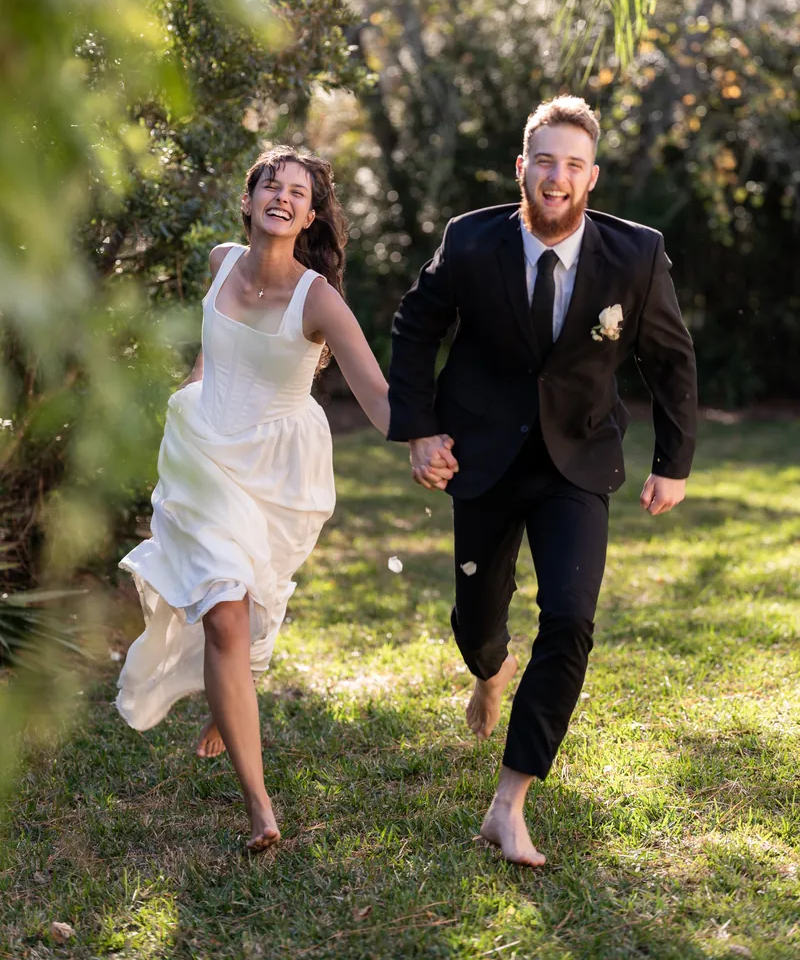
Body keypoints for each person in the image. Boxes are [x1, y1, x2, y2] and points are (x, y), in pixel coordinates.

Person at [387, 95, 697, 867]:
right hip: (482, 457)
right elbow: (414, 325)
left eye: (574, 164)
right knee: (477, 622)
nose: (558, 177)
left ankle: (509, 800)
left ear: (592, 176)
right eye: (545, 161)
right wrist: (421, 430)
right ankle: (490, 671)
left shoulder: (637, 253)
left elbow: (671, 358)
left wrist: (673, 460)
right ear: (522, 168)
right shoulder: (469, 240)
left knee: (569, 617)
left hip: (578, 462)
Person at [116, 147, 389, 851]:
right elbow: (214, 345)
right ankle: (260, 806)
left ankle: (225, 694)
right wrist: (193, 385)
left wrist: (438, 436)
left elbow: (382, 400)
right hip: (205, 454)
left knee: (253, 605)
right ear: (249, 199)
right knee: (225, 616)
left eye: (299, 191)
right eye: (271, 182)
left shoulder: (318, 297)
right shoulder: (219, 260)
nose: (283, 195)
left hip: (278, 466)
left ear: (310, 215)